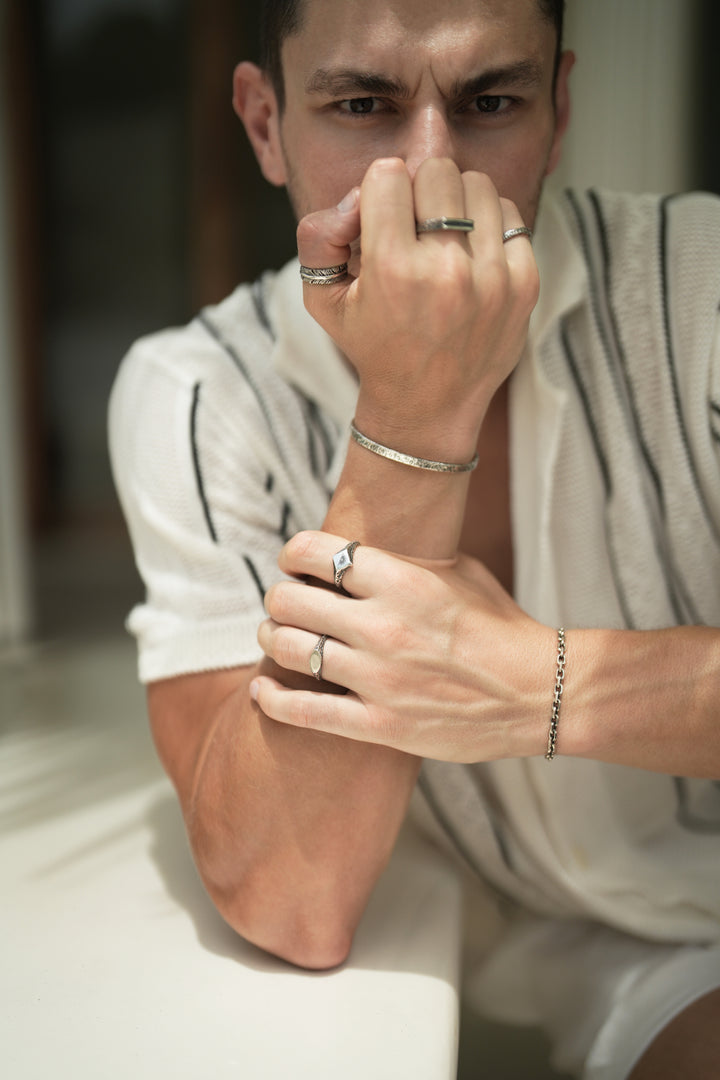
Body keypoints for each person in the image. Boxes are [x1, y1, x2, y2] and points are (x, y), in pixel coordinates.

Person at [108, 1, 720, 1076]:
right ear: (264, 124)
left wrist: (540, 688)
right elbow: (289, 898)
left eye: (490, 102)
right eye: (361, 105)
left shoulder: (703, 290)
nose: (431, 175)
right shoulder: (200, 397)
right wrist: (414, 408)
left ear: (559, 104)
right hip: (631, 973)